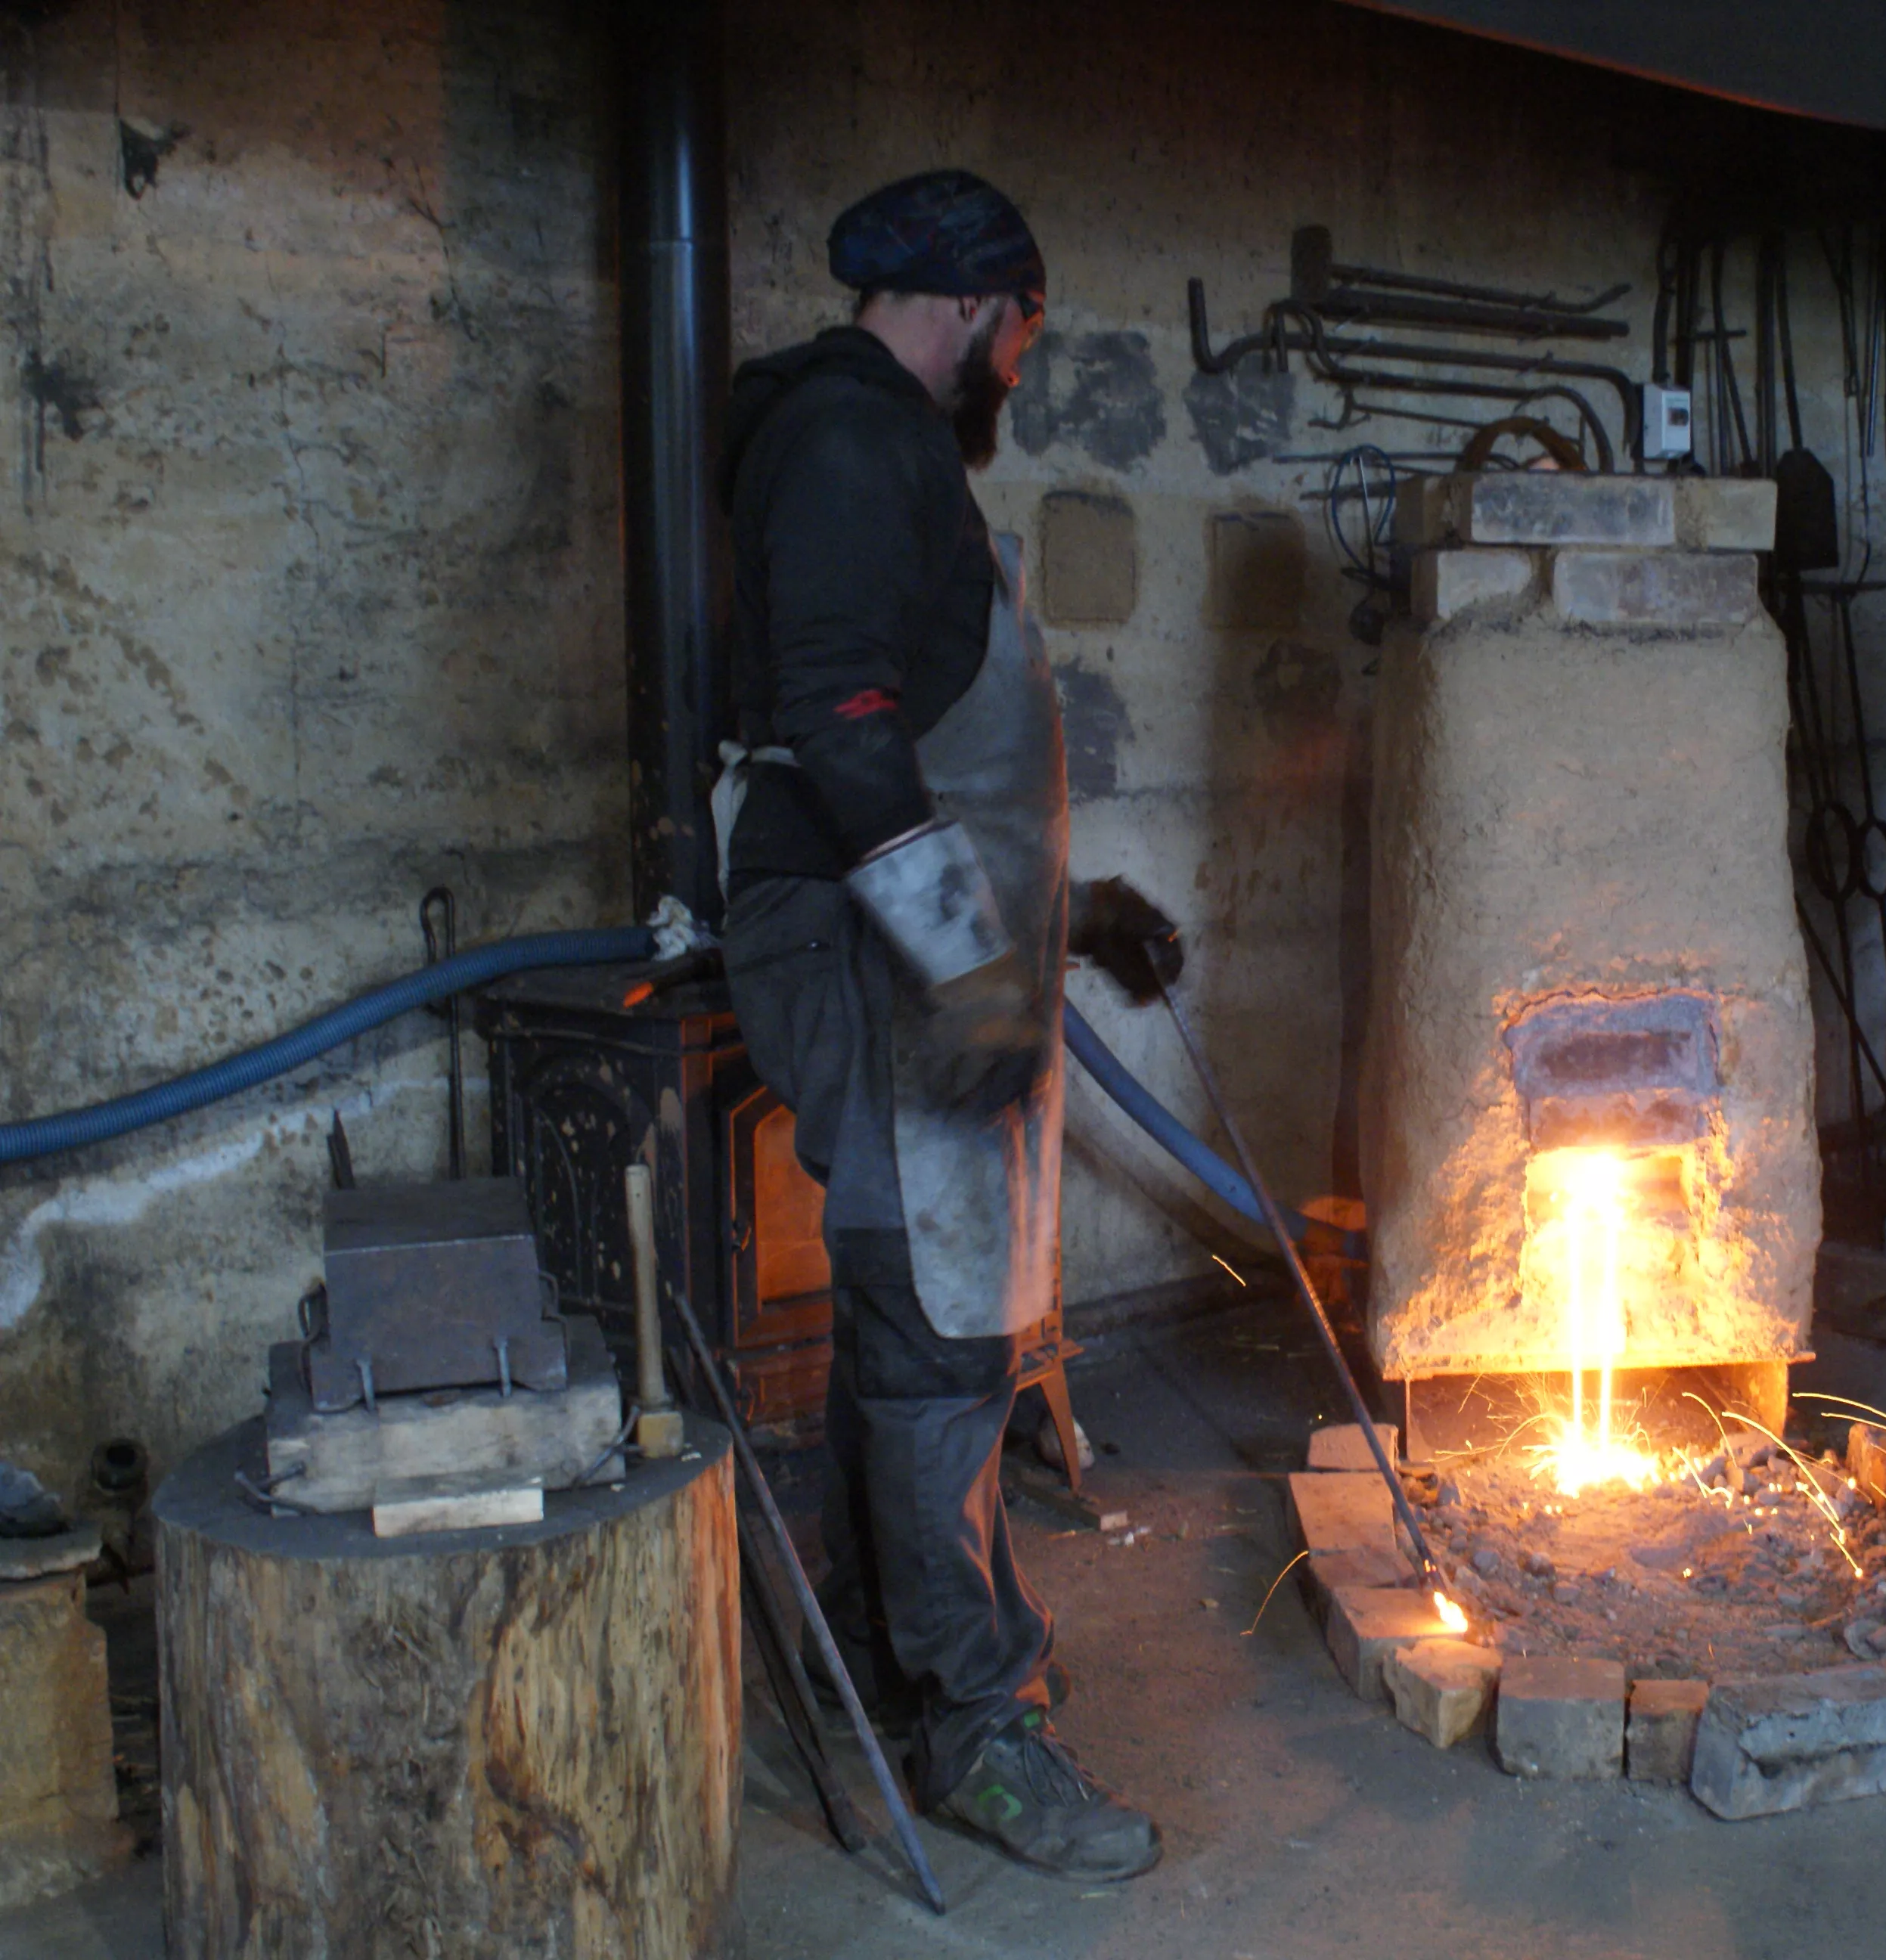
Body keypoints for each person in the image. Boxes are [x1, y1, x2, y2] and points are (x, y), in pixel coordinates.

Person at [715, 169, 1180, 1878]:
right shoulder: (851, 443)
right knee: (939, 1334)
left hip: (924, 942)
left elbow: (939, 759)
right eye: (1022, 334)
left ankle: (891, 1668)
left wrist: (1070, 924)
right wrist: (972, 966)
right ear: (983, 307)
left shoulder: (878, 451)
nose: (1016, 369)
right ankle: (977, 1729)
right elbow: (840, 733)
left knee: (920, 1318)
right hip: (868, 946)